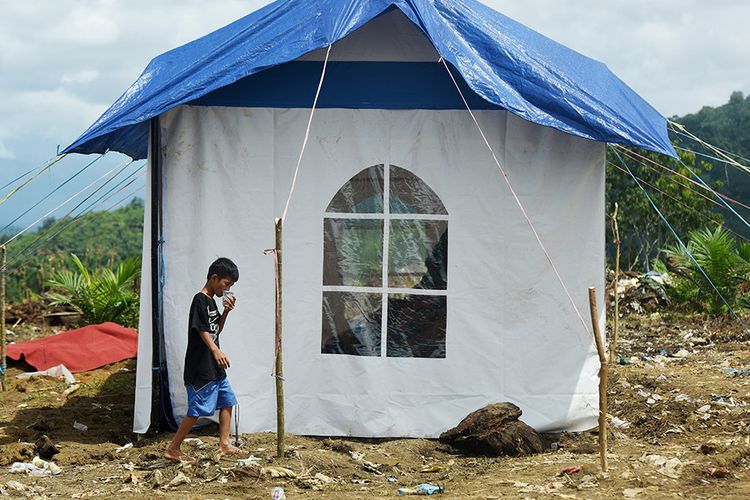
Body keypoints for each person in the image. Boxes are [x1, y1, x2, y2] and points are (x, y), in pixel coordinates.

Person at [165, 257, 243, 462]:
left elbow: (215, 329)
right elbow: (201, 329)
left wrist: (226, 311)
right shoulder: (199, 299)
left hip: (214, 367)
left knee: (228, 401)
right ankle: (173, 448)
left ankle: (224, 444)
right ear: (214, 278)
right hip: (201, 368)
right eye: (226, 284)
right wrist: (215, 350)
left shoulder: (211, 303)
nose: (227, 289)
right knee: (197, 410)